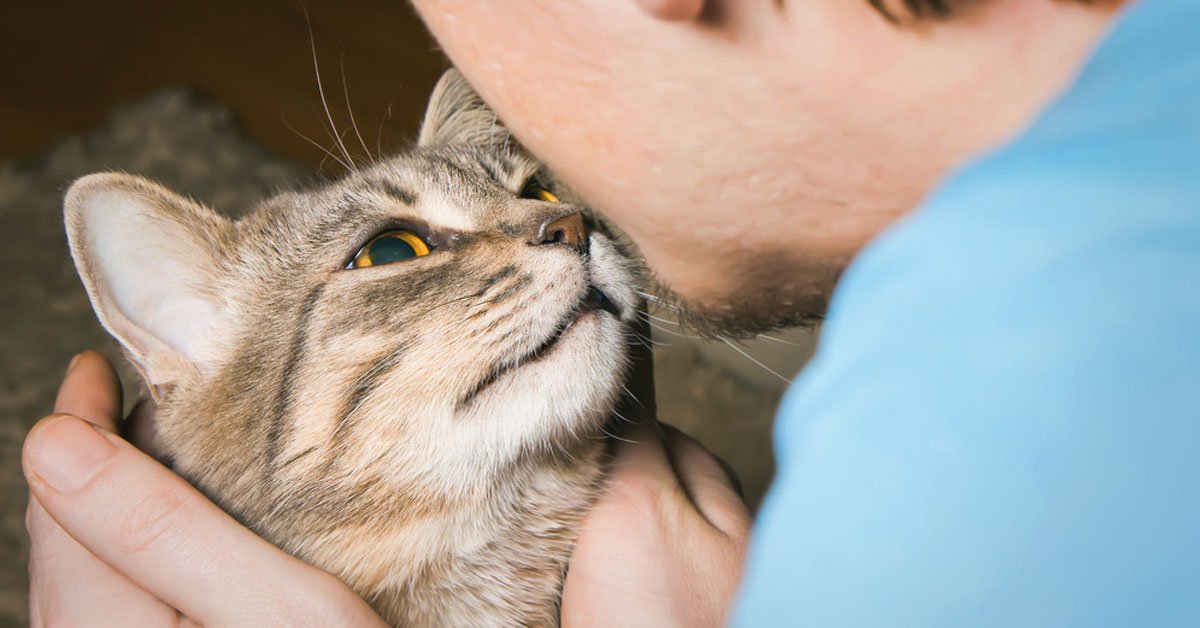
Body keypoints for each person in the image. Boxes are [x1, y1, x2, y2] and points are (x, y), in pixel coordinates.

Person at [24, 0, 1199, 625]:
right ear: (194, 345)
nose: (554, 225)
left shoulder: (942, 506)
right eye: (396, 250)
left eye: (534, 189)